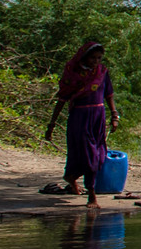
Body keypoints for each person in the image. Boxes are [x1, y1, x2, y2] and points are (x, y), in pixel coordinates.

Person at [45, 40, 117, 206]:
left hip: (98, 118)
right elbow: (62, 99)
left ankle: (71, 177)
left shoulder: (102, 72)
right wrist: (51, 124)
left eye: (99, 58)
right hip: (80, 118)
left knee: (99, 155)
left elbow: (109, 94)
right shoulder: (73, 73)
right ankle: (92, 195)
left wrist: (114, 115)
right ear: (84, 57)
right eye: (93, 58)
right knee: (88, 154)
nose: (96, 61)